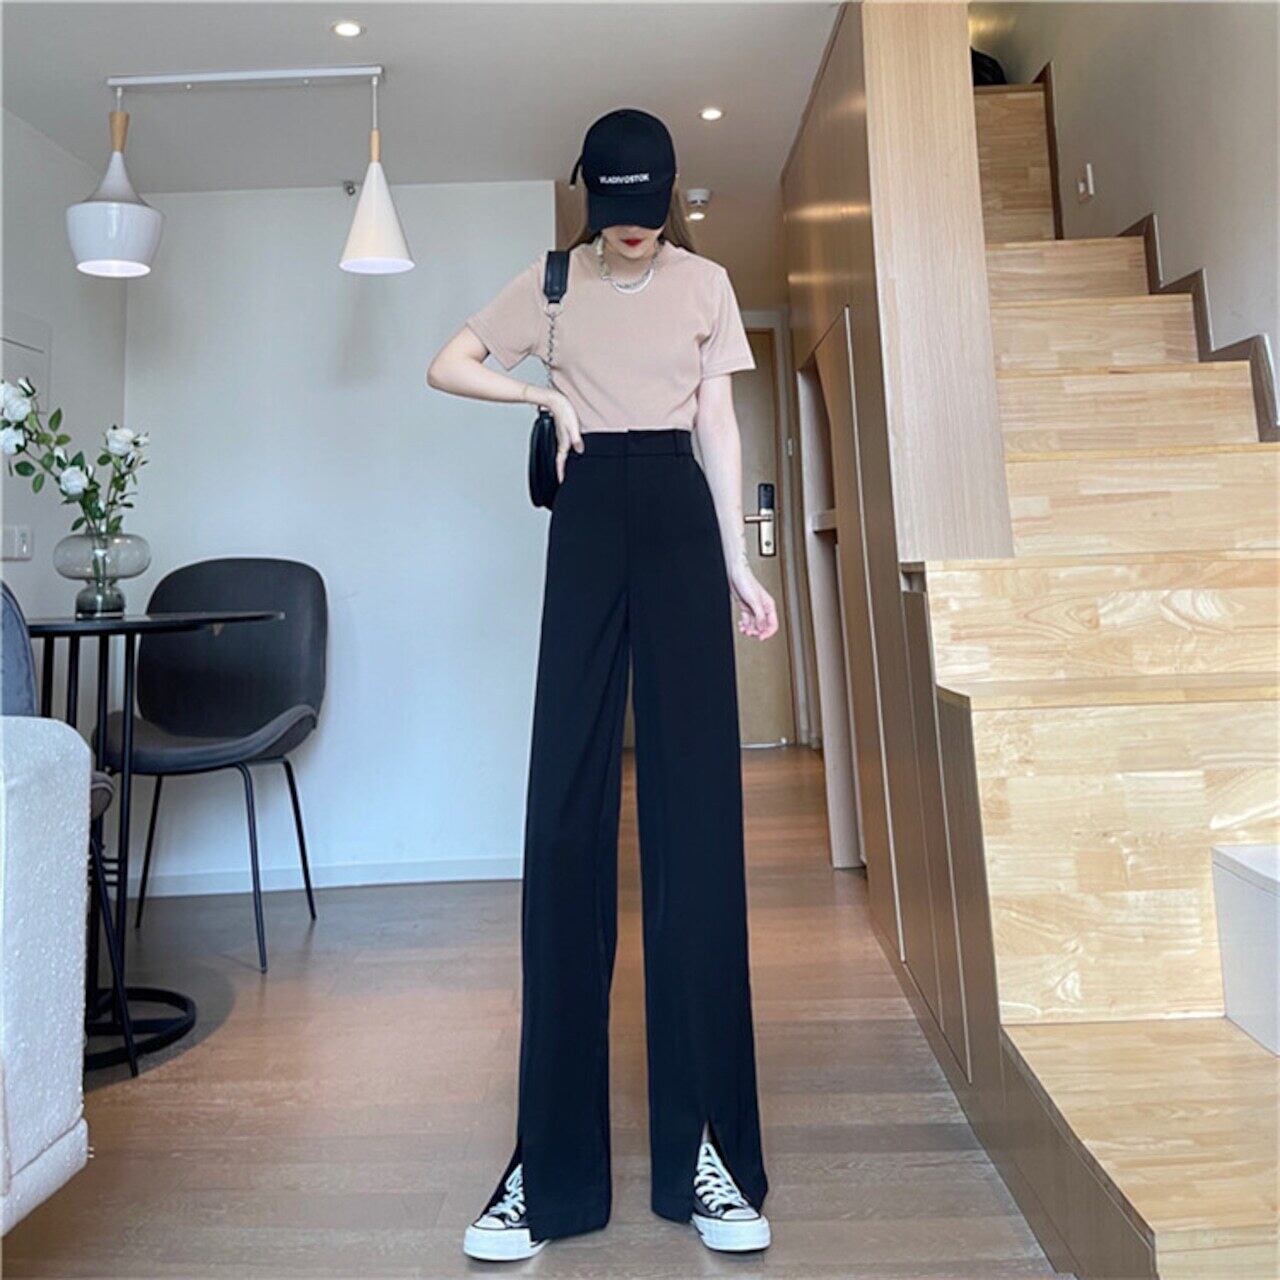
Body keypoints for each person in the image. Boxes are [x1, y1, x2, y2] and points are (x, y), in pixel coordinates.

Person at [427, 107, 775, 1262]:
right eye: (615, 212)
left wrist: (737, 562)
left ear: (669, 195)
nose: (633, 231)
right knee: (565, 817)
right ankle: (548, 1163)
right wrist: (543, 398)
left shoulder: (706, 283)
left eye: (648, 211)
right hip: (584, 515)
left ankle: (709, 1146)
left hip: (677, 514)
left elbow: (716, 422)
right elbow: (446, 362)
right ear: (591, 197)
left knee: (695, 824)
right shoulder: (548, 283)